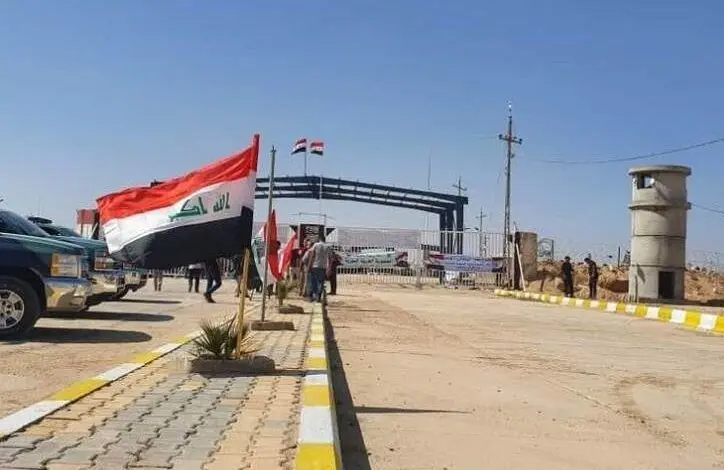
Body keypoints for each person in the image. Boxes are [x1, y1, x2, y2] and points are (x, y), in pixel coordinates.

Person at [307, 235, 330, 302]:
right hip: (323, 267)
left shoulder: (316, 245)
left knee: (313, 281)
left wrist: (309, 265)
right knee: (321, 282)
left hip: (315, 266)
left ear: (319, 239)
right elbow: (329, 258)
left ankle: (311, 296)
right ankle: (319, 296)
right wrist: (328, 268)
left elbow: (312, 255)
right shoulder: (327, 246)